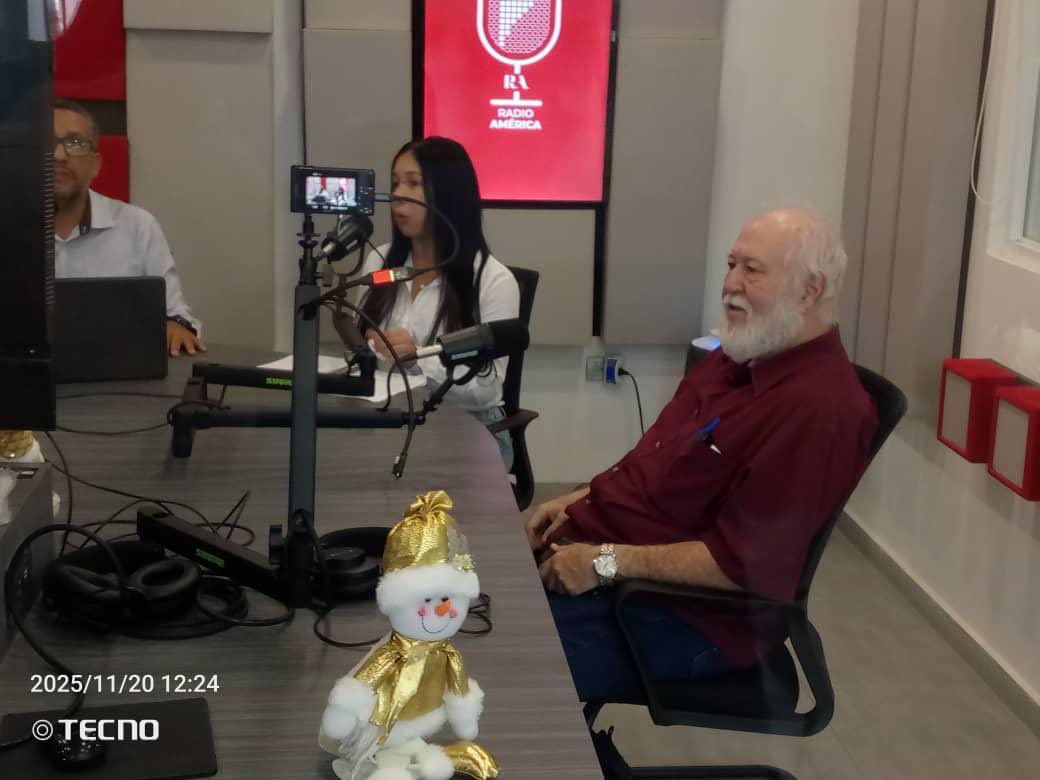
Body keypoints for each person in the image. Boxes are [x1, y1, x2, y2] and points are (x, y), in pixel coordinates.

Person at [526, 208, 879, 702]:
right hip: (615, 565)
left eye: (752, 270)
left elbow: (743, 564)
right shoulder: (736, 357)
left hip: (686, 617)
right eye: (731, 265)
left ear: (809, 291)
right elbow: (656, 465)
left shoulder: (820, 410)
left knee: (488, 672)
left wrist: (603, 562)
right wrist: (579, 500)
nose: (730, 284)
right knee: (447, 599)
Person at [356, 137, 520, 469]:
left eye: (413, 183)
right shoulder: (379, 261)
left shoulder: (493, 280)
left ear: (448, 194)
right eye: (395, 183)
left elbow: (487, 389)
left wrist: (418, 359)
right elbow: (361, 346)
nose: (399, 194)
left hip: (466, 433)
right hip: (387, 421)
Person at [52, 100, 204, 357]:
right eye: (46, 143)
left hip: (118, 372)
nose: (59, 155)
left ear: (96, 164)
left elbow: (176, 315)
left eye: (75, 143)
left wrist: (175, 326)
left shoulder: (136, 226)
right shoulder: (9, 226)